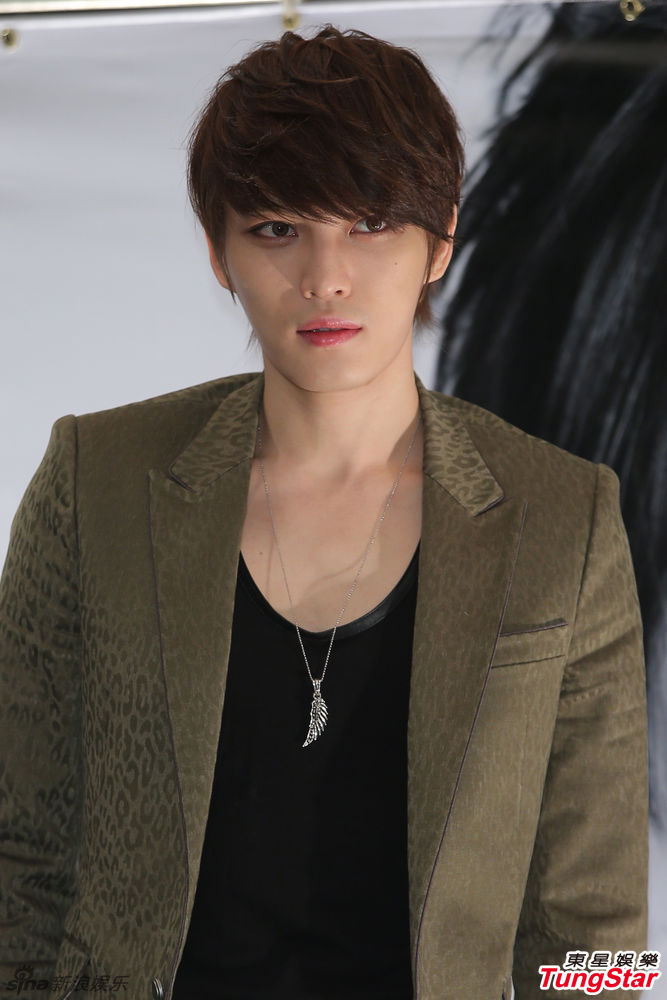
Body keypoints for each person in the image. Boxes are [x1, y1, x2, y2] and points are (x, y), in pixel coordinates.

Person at [0, 24, 648, 1000]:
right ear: (218, 251)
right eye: (276, 228)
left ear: (441, 241)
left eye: (370, 223)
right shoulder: (98, 480)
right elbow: (20, 842)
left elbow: (594, 924)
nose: (324, 275)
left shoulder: (564, 514)